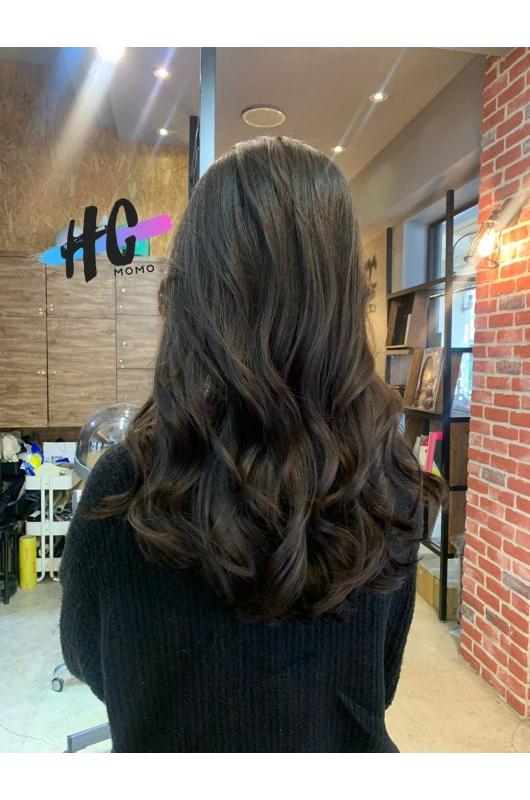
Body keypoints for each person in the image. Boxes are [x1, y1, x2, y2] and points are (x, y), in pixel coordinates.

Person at [60, 136, 442, 752]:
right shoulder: (391, 483)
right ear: (344, 301)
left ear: (192, 297)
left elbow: (89, 660)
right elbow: (381, 683)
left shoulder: (123, 486)